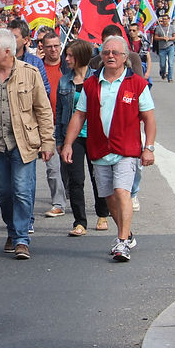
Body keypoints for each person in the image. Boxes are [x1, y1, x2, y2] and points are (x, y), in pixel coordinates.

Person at [61, 35, 156, 263]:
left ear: (125, 57)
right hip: (99, 149)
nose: (110, 56)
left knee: (122, 191)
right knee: (108, 196)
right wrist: (67, 144)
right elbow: (79, 114)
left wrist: (149, 147)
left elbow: (149, 118)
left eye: (115, 53)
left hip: (127, 149)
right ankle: (127, 232)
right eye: (106, 52)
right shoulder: (92, 84)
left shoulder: (137, 84)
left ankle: (121, 241)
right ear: (101, 56)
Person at [0, 29, 55, 260]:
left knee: (21, 192)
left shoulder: (30, 73)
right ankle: (12, 229)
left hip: (23, 144)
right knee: (5, 194)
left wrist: (47, 143)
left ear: (7, 52)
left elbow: (43, 109)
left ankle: (21, 238)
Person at [55, 39, 105, 236]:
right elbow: (59, 112)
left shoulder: (97, 79)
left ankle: (102, 214)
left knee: (98, 177)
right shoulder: (64, 81)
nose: (66, 59)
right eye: (66, 55)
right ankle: (80, 221)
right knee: (76, 179)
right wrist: (60, 140)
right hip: (73, 136)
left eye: (70, 55)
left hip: (95, 133)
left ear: (81, 56)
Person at [39, 31, 68, 218]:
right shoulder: (38, 68)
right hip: (48, 125)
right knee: (52, 167)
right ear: (43, 47)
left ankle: (71, 195)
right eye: (49, 46)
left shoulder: (68, 67)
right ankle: (58, 203)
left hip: (68, 123)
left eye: (56, 45)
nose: (53, 50)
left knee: (70, 166)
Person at [152, 14, 175, 82]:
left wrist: (169, 38)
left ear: (168, 20)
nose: (164, 21)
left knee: (170, 63)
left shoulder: (171, 27)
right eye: (163, 19)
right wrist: (162, 38)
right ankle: (163, 73)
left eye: (166, 19)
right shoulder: (158, 28)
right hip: (162, 48)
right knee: (162, 64)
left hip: (170, 46)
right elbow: (155, 37)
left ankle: (170, 77)